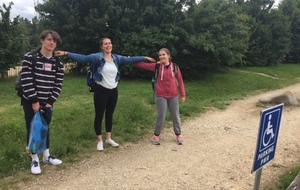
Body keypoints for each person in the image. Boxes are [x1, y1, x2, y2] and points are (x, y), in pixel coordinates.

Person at [55, 37, 155, 151]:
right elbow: (83, 58)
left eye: (110, 43)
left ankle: (108, 138)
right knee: (99, 115)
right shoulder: (96, 57)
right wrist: (66, 53)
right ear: (102, 46)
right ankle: (100, 141)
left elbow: (130, 59)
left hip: (113, 90)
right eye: (106, 44)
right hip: (100, 90)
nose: (108, 45)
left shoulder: (117, 58)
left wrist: (145, 57)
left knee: (109, 114)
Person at [21, 30, 64, 174]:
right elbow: (26, 80)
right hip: (30, 101)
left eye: (55, 41)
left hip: (47, 102)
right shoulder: (30, 57)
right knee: (33, 129)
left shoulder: (58, 62)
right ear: (42, 40)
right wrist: (34, 101)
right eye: (50, 40)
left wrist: (50, 101)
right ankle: (34, 159)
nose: (52, 43)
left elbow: (58, 83)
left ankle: (46, 156)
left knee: (45, 128)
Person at [134, 48, 186, 145]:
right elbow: (143, 65)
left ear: (168, 56)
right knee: (161, 115)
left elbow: (180, 81)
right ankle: (156, 135)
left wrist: (182, 94)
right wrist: (132, 61)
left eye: (163, 54)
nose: (161, 56)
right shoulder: (157, 66)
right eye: (160, 55)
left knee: (176, 115)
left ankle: (178, 134)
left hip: (173, 95)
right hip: (160, 95)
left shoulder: (175, 67)